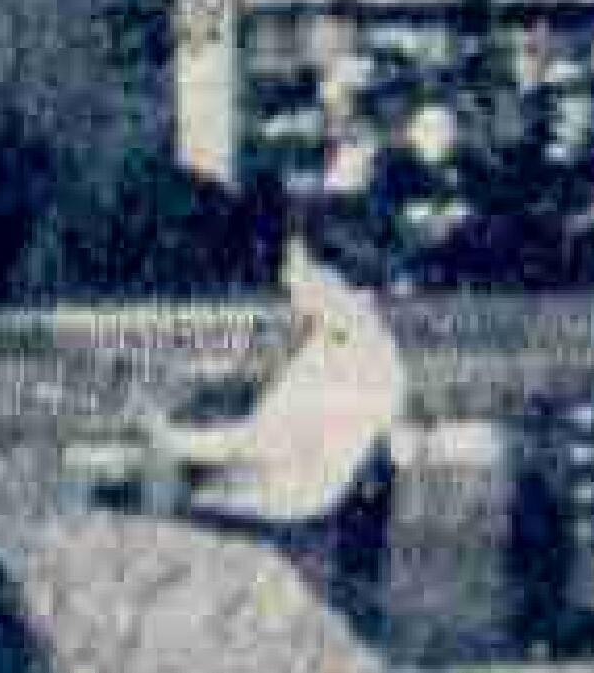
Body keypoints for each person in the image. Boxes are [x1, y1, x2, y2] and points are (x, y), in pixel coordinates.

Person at [146, 210, 409, 542]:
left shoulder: (341, 356)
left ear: (333, 277)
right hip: (293, 508)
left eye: (296, 266)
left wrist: (166, 438)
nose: (286, 278)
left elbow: (257, 444)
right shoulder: (369, 344)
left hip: (265, 518)